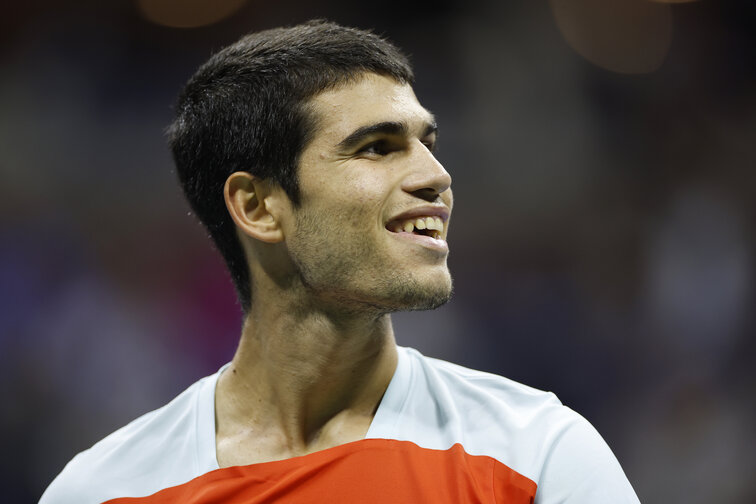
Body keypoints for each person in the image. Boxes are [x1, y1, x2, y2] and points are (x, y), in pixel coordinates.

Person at [40, 20, 640, 503]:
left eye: (427, 144)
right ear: (258, 207)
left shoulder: (538, 457)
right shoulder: (105, 491)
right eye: (377, 148)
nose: (436, 176)